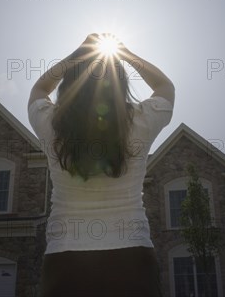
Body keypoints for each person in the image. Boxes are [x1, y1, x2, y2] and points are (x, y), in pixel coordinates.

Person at [27, 33, 175, 297]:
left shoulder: (51, 125)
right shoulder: (141, 120)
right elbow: (165, 86)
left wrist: (77, 55)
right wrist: (124, 53)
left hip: (64, 262)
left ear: (70, 84)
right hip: (133, 259)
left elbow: (38, 90)